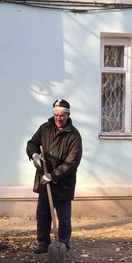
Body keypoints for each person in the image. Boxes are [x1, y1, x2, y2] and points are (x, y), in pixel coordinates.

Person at [26, 99, 83, 254]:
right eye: (56, 115)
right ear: (53, 114)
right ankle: (43, 242)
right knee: (43, 215)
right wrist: (35, 155)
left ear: (68, 115)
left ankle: (63, 243)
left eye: (62, 116)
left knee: (64, 218)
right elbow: (32, 143)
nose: (59, 118)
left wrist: (54, 175)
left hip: (64, 183)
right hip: (45, 181)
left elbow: (72, 162)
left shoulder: (74, 135)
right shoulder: (45, 128)